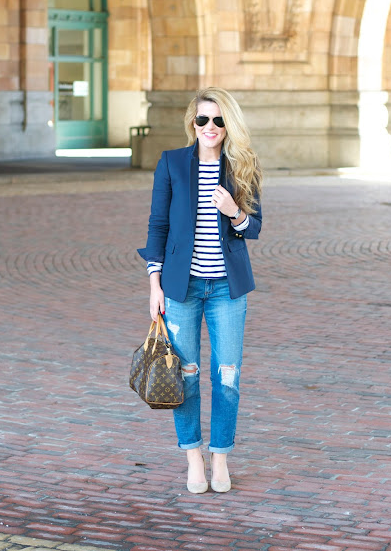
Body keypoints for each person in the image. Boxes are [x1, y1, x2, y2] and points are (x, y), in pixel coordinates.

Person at [137, 87, 262, 493]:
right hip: (181, 288)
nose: (211, 126)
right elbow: (158, 226)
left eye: (219, 120)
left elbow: (254, 227)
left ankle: (220, 458)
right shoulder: (172, 163)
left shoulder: (242, 165)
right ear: (193, 123)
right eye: (203, 119)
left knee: (228, 376)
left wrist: (234, 212)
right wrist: (154, 285)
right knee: (186, 375)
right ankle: (193, 458)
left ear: (229, 125)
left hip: (228, 290)